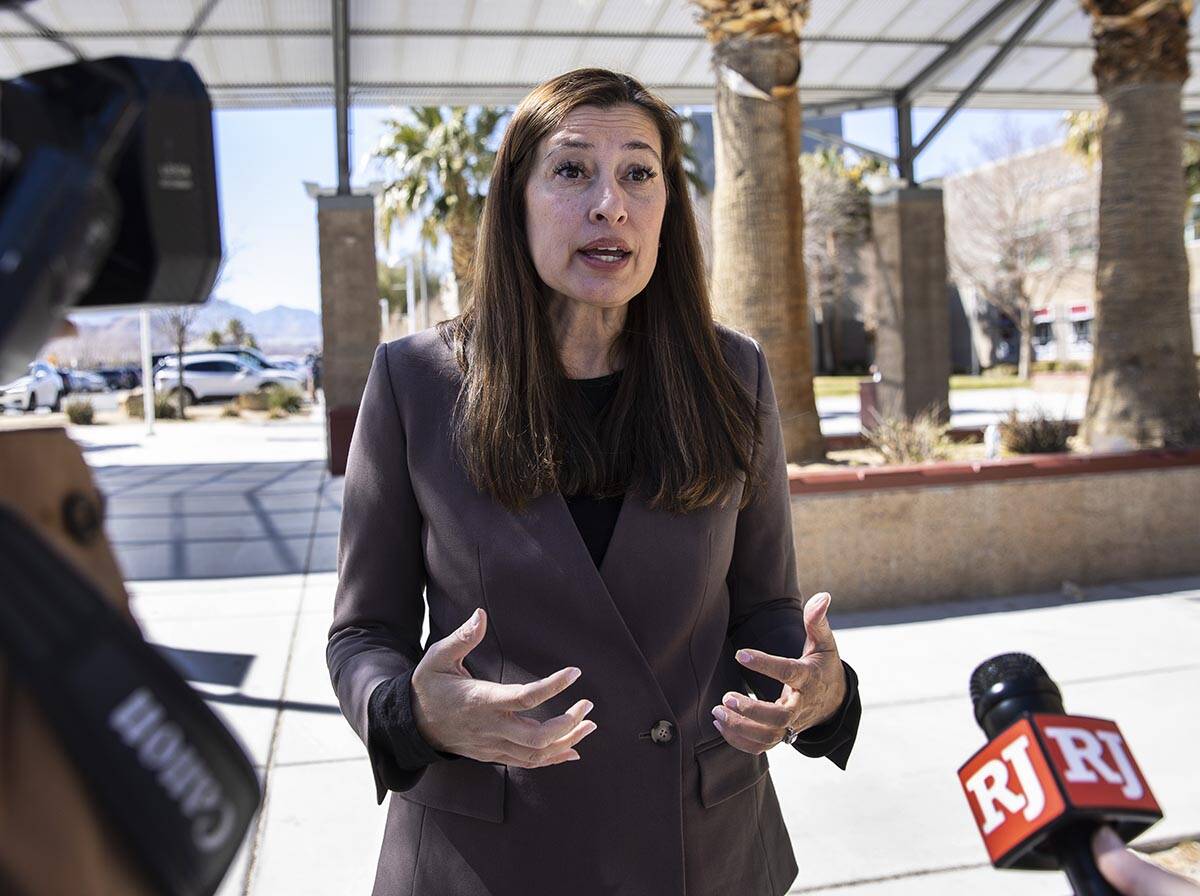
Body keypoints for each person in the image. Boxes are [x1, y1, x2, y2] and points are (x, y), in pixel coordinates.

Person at [326, 67, 861, 896]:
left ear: (666, 207)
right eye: (572, 170)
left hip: (698, 847)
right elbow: (362, 633)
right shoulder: (415, 381)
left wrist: (818, 690)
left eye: (638, 173)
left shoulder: (733, 373)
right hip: (486, 856)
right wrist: (412, 711)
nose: (609, 203)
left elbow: (766, 606)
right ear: (518, 200)